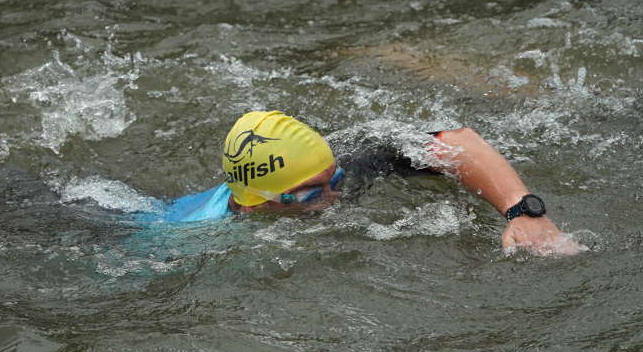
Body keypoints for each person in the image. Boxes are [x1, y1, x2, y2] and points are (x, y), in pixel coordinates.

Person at [158, 110, 583, 256]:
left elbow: (453, 142)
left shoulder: (340, 168)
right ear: (254, 205)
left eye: (333, 180)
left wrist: (522, 210)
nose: (331, 199)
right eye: (308, 194)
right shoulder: (194, 238)